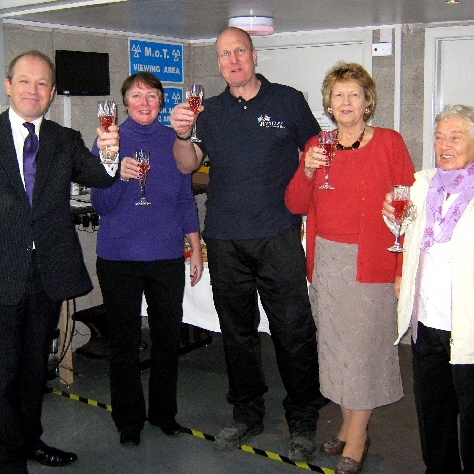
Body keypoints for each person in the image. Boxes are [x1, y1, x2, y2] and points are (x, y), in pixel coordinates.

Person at [0, 50, 119, 474]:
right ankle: (8, 462)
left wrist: (109, 152)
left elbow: (101, 176)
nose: (33, 90)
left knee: (32, 368)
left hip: (44, 278)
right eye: (25, 81)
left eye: (42, 84)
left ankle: (31, 440)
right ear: (8, 85)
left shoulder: (64, 138)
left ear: (52, 92)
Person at [169, 26, 322, 463]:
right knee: (236, 334)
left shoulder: (288, 100)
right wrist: (181, 135)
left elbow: (312, 155)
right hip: (224, 237)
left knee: (293, 330)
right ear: (218, 63)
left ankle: (303, 418)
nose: (233, 60)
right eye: (224, 55)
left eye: (239, 51)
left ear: (254, 55)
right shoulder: (209, 111)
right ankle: (247, 413)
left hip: (277, 234)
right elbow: (187, 166)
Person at [384, 104, 474, 474]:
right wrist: (391, 216)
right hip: (428, 325)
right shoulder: (421, 184)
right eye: (438, 137)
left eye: (455, 137)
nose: (444, 145)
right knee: (433, 420)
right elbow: (407, 235)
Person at [285, 62, 414, 474]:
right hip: (326, 261)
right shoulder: (318, 145)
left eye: (353, 94)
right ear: (328, 102)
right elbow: (295, 205)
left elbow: (408, 208)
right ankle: (345, 426)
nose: (345, 102)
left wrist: (401, 268)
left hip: (370, 262)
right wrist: (306, 170)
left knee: (363, 353)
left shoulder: (389, 143)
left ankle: (357, 438)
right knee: (336, 349)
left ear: (367, 102)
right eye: (338, 95)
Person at [90, 71, 203, 447]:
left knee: (167, 339)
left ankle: (163, 413)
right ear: (125, 102)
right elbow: (101, 205)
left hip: (166, 255)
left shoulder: (175, 141)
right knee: (124, 342)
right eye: (136, 96)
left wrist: (196, 247)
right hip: (118, 256)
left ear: (161, 102)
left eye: (152, 96)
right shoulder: (109, 140)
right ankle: (128, 421)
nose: (144, 102)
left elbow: (186, 199)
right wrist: (116, 175)